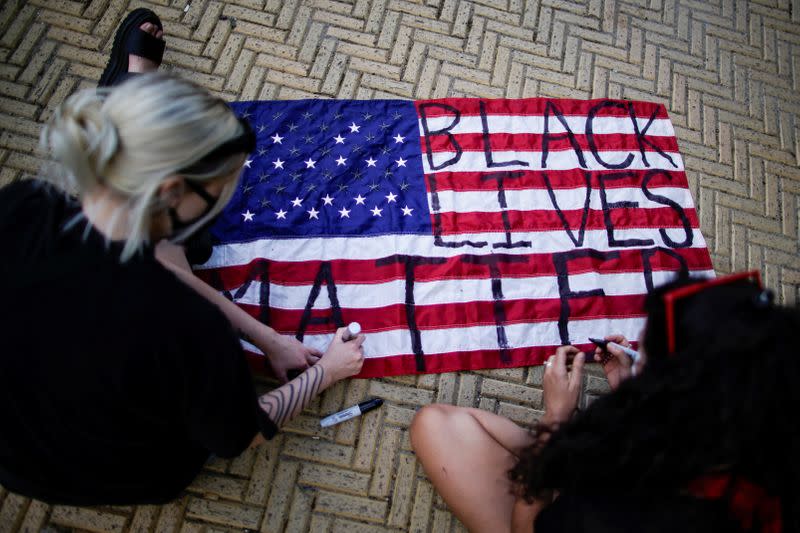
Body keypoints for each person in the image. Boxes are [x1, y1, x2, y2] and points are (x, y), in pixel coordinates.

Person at [0, 70, 366, 505]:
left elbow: (154, 274)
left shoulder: (24, 204)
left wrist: (268, 338)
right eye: (221, 187)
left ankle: (131, 78)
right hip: (111, 475)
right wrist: (329, 370)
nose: (228, 197)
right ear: (171, 191)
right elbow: (242, 434)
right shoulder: (188, 327)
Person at [411, 272, 799, 532]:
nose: (636, 358)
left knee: (435, 426)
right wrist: (631, 387)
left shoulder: (610, 516)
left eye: (645, 359)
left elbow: (530, 526)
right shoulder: (765, 422)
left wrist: (556, 418)